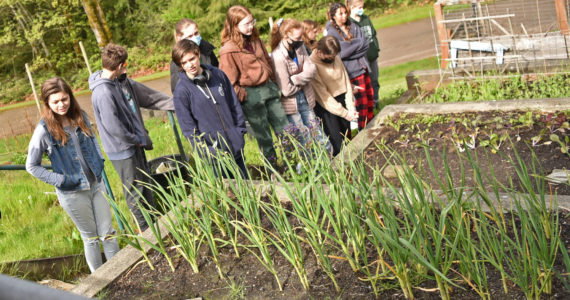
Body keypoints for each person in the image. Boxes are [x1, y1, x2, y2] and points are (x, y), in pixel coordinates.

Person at [26, 77, 120, 273]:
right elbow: (32, 166)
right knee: (91, 238)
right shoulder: (43, 131)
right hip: (73, 193)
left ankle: (119, 271)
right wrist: (61, 180)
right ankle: (101, 281)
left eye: (64, 99)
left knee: (108, 233)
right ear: (47, 104)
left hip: (96, 185)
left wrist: (100, 162)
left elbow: (93, 139)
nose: (61, 105)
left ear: (70, 97)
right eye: (56, 102)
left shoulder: (80, 117)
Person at [89, 43, 174, 231]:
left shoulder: (118, 83)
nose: (126, 68)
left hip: (133, 145)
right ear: (119, 66)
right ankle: (146, 232)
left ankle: (155, 226)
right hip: (123, 150)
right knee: (135, 191)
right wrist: (135, 139)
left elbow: (150, 98)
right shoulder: (103, 92)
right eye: (125, 64)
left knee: (145, 183)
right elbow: (114, 127)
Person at [219, 5, 289, 167]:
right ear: (234, 26)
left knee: (285, 129)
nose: (251, 26)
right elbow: (229, 82)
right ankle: (274, 170)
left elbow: (267, 60)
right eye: (246, 24)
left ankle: (292, 165)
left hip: (269, 89)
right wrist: (244, 96)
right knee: (264, 137)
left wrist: (273, 83)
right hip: (252, 96)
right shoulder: (228, 50)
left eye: (252, 22)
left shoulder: (255, 39)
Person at [171, 39, 248, 178]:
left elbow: (234, 105)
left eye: (192, 59)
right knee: (228, 197)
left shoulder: (218, 75)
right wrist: (210, 151)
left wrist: (240, 132)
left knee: (247, 190)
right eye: (184, 63)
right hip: (215, 158)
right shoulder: (181, 92)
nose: (190, 65)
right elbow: (189, 131)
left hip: (235, 147)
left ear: (198, 54)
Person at [270, 18, 329, 151]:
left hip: (306, 98)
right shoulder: (278, 57)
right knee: (305, 141)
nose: (301, 40)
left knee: (319, 136)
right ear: (286, 36)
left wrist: (295, 79)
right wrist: (304, 79)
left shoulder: (300, 47)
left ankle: (330, 163)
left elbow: (312, 69)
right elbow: (286, 90)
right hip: (292, 105)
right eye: (297, 37)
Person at [325, 2, 374, 131]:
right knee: (360, 103)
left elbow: (365, 44)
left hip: (363, 67)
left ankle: (372, 125)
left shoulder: (353, 25)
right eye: (340, 14)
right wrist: (356, 45)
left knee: (369, 98)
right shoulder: (331, 32)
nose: (344, 16)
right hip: (352, 72)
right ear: (333, 16)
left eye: (345, 13)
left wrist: (352, 47)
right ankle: (364, 130)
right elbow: (340, 53)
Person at [310, 36, 358, 156]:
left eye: (334, 56)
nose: (333, 59)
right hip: (327, 107)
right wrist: (345, 113)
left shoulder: (335, 57)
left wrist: (351, 108)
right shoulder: (312, 64)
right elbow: (322, 95)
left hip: (343, 102)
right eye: (330, 57)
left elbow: (346, 82)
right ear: (320, 52)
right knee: (337, 144)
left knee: (347, 138)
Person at [170, 18, 219, 94]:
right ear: (180, 38)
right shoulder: (176, 62)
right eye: (189, 36)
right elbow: (177, 91)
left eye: (196, 33)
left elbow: (219, 73)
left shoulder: (208, 50)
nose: (194, 37)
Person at [347, 0, 380, 108]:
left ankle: (376, 101)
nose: (361, 10)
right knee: (367, 81)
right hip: (362, 58)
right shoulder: (350, 23)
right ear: (352, 8)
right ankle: (369, 105)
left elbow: (373, 34)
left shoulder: (366, 18)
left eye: (362, 7)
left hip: (372, 54)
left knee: (375, 80)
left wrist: (376, 48)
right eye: (359, 8)